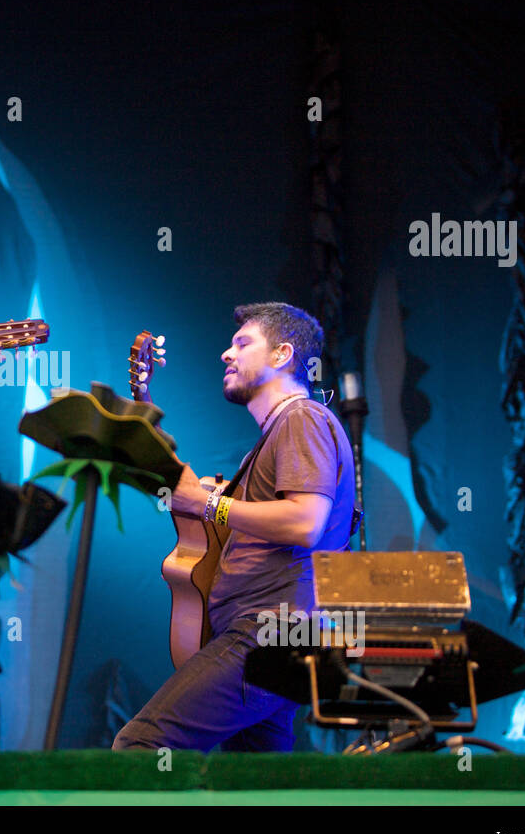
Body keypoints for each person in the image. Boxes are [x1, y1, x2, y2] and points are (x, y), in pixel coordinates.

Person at [112, 302, 356, 752]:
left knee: (142, 746)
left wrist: (207, 503)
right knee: (252, 787)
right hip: (279, 635)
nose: (227, 353)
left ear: (283, 354)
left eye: (243, 343)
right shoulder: (274, 437)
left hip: (271, 631)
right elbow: (204, 516)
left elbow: (304, 522)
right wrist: (144, 411)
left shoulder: (302, 418)